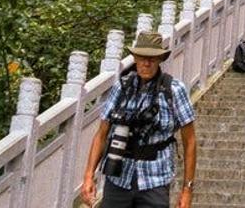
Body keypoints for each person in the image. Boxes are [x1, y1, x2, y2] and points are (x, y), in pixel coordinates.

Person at [81, 31, 197, 208]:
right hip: (118, 176)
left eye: (152, 58)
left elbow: (190, 141)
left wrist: (187, 190)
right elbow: (102, 134)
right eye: (142, 57)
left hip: (155, 179)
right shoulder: (122, 87)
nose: (146, 63)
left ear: (160, 60)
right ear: (135, 58)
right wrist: (89, 176)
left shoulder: (174, 90)